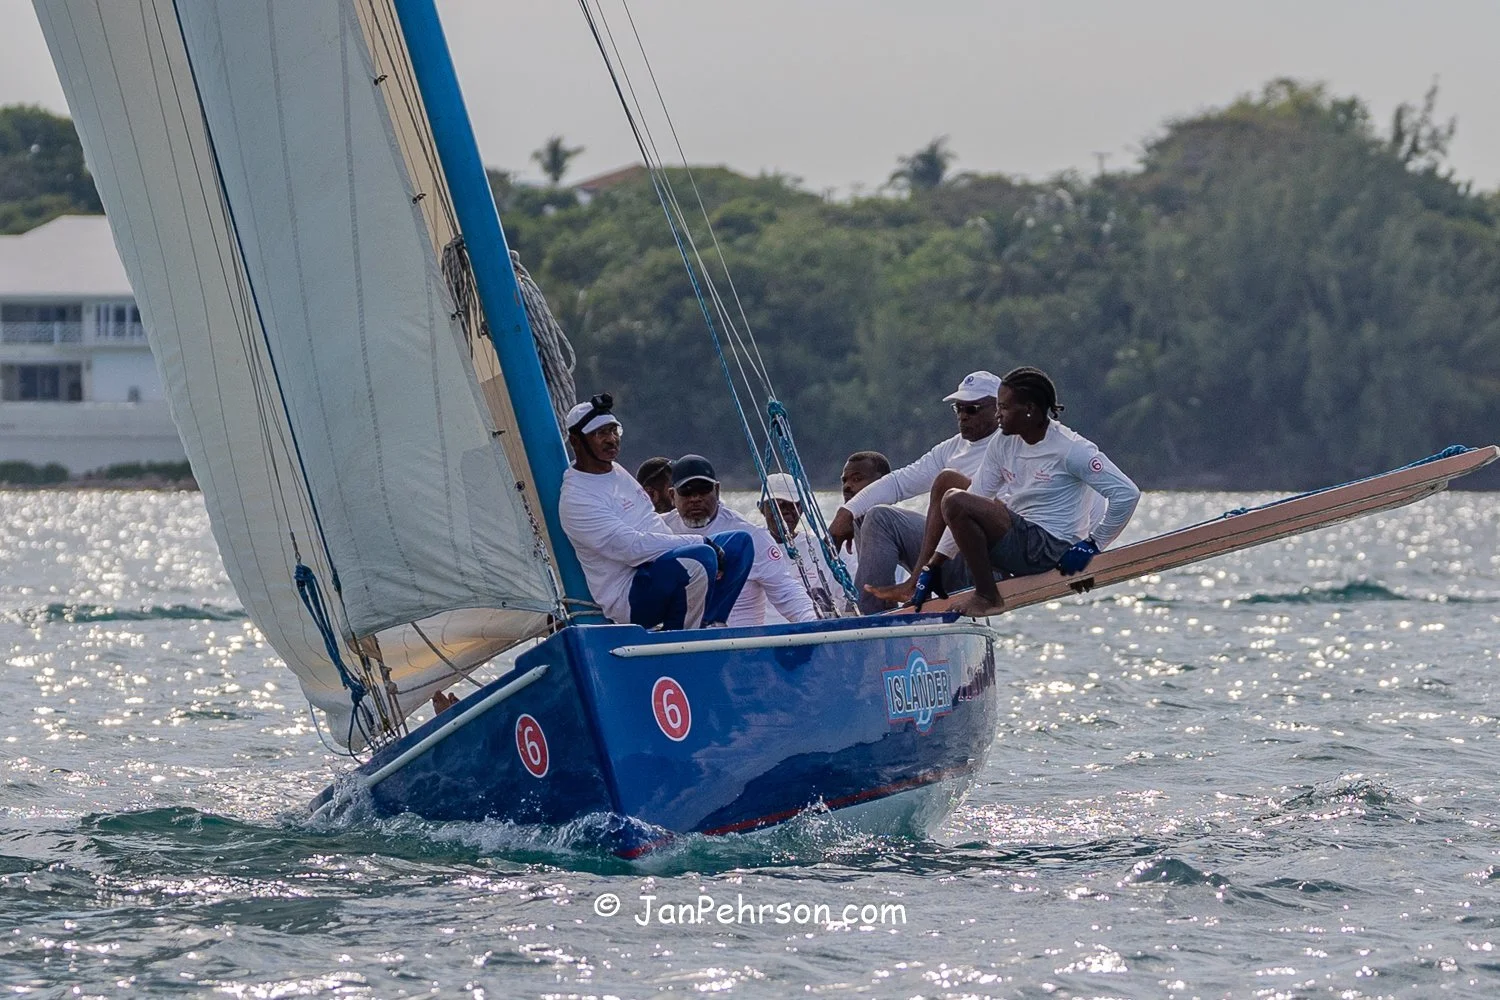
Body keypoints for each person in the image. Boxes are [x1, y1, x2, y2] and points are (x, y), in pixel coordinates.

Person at [905, 367, 1140, 617]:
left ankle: (987, 596)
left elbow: (1126, 494)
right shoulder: (1003, 442)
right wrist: (934, 565)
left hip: (1054, 548)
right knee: (957, 499)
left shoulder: (1072, 449)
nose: (997, 415)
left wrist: (1094, 544)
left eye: (1004, 408)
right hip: (1021, 542)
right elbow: (977, 495)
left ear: (1029, 410)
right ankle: (979, 585)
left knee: (955, 499)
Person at [557, 394, 753, 629]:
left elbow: (649, 525)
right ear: (576, 442)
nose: (611, 440)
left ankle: (710, 623)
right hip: (629, 595)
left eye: (613, 431)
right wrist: (696, 541)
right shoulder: (577, 499)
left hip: (657, 567)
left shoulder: (616, 471)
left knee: (740, 543)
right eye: (600, 434)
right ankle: (683, 642)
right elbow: (632, 549)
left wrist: (694, 543)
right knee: (700, 557)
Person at [827, 371, 1003, 613]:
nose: (963, 416)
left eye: (972, 409)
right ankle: (878, 608)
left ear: (997, 408)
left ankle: (861, 615)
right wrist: (847, 511)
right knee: (866, 509)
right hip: (947, 559)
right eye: (958, 408)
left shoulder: (1010, 444)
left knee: (934, 489)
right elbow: (899, 483)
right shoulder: (951, 448)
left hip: (985, 565)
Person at [661, 456, 817, 627]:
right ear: (671, 495)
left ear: (717, 490)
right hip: (679, 641)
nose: (695, 498)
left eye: (704, 489)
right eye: (687, 491)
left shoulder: (751, 535)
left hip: (742, 645)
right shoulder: (659, 530)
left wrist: (814, 622)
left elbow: (786, 591)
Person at [761, 472, 856, 617]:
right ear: (761, 508)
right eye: (778, 505)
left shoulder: (822, 549)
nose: (785, 512)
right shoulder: (751, 548)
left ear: (802, 509)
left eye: (793, 505)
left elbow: (854, 589)